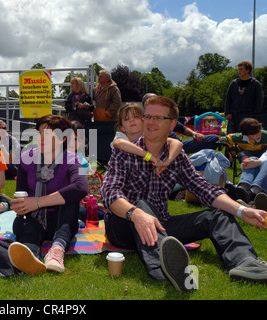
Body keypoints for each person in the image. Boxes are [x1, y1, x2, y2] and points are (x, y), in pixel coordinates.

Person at [101, 95, 267, 292]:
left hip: (162, 224)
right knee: (142, 205)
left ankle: (245, 262)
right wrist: (136, 214)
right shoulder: (125, 151)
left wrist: (241, 210)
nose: (150, 122)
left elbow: (203, 188)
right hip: (123, 224)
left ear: (172, 124)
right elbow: (109, 192)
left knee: (218, 216)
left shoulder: (177, 156)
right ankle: (165, 270)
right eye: (148, 116)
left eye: (158, 118)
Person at [8, 115, 88, 274]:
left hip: (60, 220)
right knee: (26, 225)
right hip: (33, 218)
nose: (41, 138)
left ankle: (56, 251)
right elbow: (21, 191)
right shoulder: (27, 157)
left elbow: (81, 187)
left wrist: (38, 202)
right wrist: (21, 204)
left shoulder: (72, 159)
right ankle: (30, 256)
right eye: (40, 133)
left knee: (70, 202)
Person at [112, 103, 183, 177]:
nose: (131, 120)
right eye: (127, 119)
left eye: (135, 117)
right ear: (122, 128)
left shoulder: (149, 134)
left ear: (144, 121)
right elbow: (118, 143)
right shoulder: (121, 136)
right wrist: (149, 157)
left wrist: (167, 161)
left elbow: (177, 143)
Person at [143, 93, 220, 154]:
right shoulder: (143, 122)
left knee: (213, 138)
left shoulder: (166, 117)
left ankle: (202, 160)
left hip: (180, 145)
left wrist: (194, 134)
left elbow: (181, 128)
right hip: (167, 147)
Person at [225, 61, 264, 134]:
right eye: (238, 69)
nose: (239, 71)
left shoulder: (255, 84)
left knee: (246, 139)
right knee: (230, 140)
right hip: (234, 116)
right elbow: (228, 99)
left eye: (241, 69)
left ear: (248, 70)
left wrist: (253, 116)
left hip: (248, 118)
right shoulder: (234, 83)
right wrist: (227, 113)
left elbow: (259, 102)